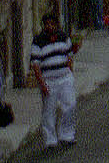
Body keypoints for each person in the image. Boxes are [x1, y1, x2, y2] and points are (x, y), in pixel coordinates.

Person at [30, 11, 77, 148]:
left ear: (56, 24)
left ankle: (67, 134)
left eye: (52, 24)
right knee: (49, 111)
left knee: (70, 105)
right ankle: (50, 139)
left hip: (65, 78)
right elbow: (35, 65)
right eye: (47, 24)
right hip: (49, 80)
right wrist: (42, 84)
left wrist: (70, 73)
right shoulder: (38, 41)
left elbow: (69, 56)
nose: (49, 26)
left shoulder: (63, 37)